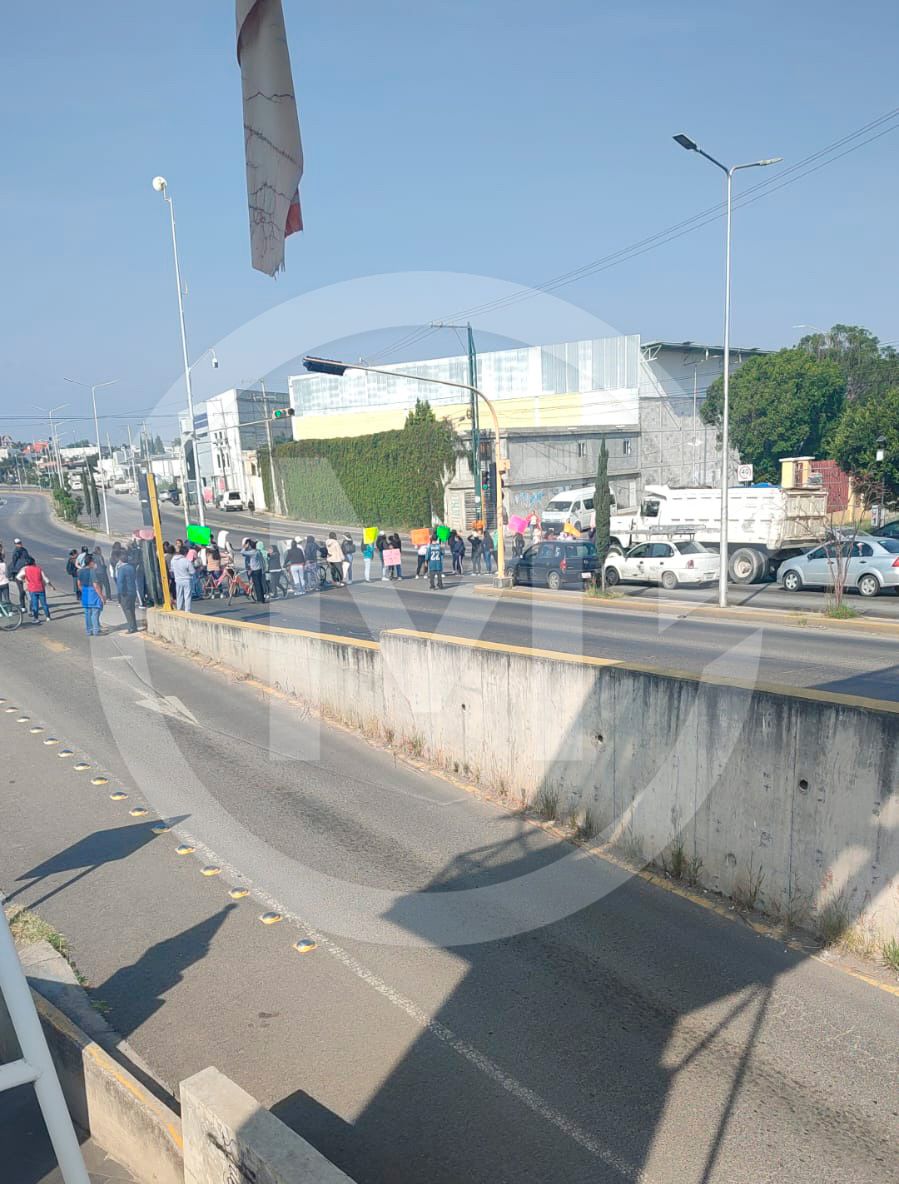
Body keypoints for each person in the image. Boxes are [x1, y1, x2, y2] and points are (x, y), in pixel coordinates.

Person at [19, 558, 55, 622]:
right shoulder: (39, 569)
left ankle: (36, 618)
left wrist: (25, 580)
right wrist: (51, 586)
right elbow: (45, 578)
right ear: (33, 562)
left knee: (35, 605)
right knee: (44, 604)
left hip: (32, 589)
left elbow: (18, 577)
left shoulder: (26, 570)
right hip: (40, 588)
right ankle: (48, 617)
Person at [79, 554, 105, 637]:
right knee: (95, 612)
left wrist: (83, 591)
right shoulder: (92, 571)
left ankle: (88, 630)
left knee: (87, 613)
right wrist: (102, 597)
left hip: (85, 592)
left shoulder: (80, 571)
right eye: (93, 561)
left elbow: (79, 583)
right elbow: (95, 585)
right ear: (90, 562)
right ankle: (96, 630)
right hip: (93, 593)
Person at [115, 552, 139, 633]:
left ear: (120, 561)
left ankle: (131, 627)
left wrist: (120, 593)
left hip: (126, 592)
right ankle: (134, 626)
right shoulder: (131, 567)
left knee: (127, 609)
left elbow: (120, 582)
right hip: (133, 591)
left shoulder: (121, 569)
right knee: (132, 609)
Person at [171, 547, 196, 612]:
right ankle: (187, 611)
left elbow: (172, 569)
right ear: (186, 553)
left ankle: (179, 609)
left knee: (179, 595)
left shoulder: (173, 560)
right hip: (187, 580)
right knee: (187, 596)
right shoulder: (186, 561)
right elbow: (192, 571)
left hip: (178, 580)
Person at [9, 539, 30, 610]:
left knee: (29, 591)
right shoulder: (16, 552)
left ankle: (30, 606)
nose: (19, 544)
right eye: (18, 543)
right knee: (22, 591)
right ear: (15, 544)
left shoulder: (24, 550)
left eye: (20, 543)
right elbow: (13, 562)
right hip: (18, 573)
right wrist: (13, 572)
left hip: (26, 572)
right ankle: (22, 606)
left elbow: (28, 558)